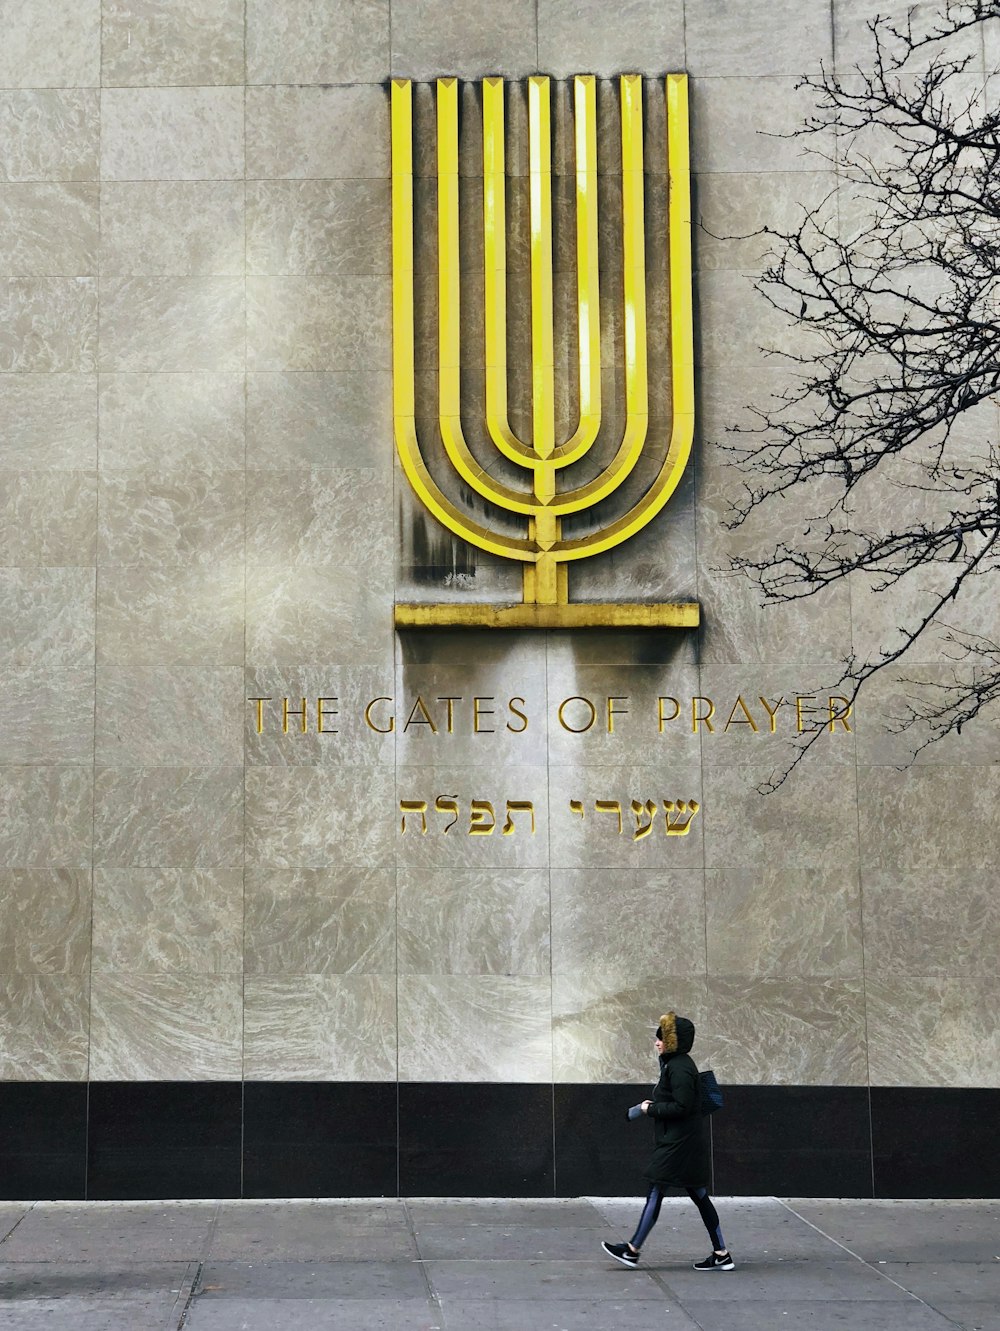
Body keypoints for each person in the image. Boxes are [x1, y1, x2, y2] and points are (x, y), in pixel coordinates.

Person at [601, 1011, 735, 1272]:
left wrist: (650, 1109)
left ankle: (632, 1250)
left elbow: (683, 1106)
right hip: (683, 1141)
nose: (656, 1043)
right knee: (699, 1195)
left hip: (679, 1144)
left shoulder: (680, 1068)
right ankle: (721, 1254)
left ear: (673, 1042)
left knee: (656, 1188)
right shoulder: (676, 1064)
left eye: (661, 1038)